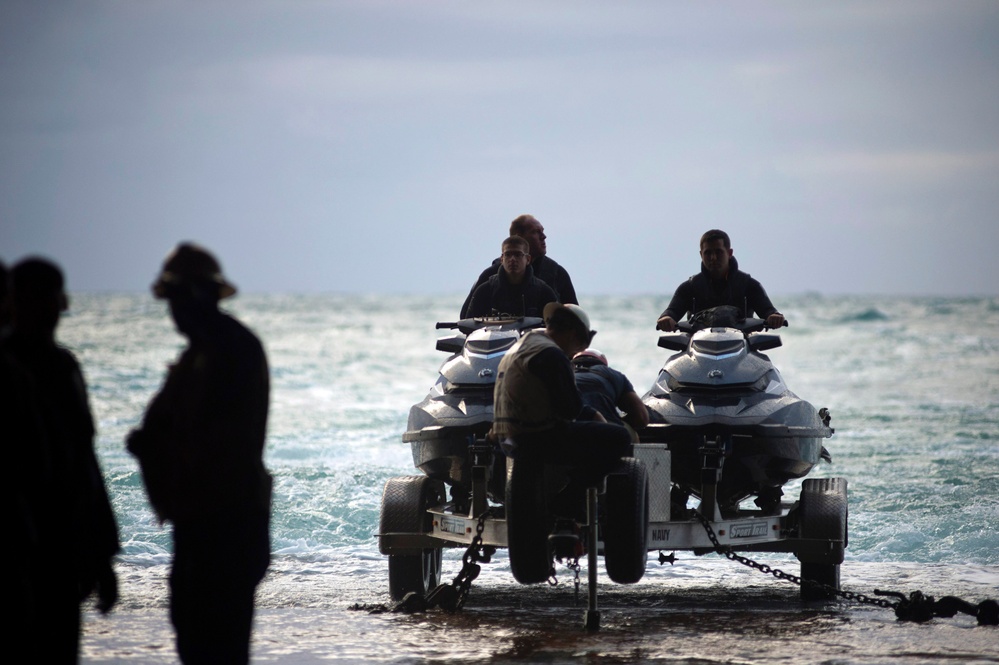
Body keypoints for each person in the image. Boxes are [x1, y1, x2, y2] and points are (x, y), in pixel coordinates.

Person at [126, 243, 272, 665]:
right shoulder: (208, 352)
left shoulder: (227, 352)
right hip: (208, 525)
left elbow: (216, 442)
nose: (173, 312)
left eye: (175, 300)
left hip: (222, 527)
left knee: (213, 645)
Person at [2, 257, 120, 663]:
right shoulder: (13, 369)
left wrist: (103, 554)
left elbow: (83, 459)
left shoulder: (63, 366)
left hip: (59, 546)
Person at [491, 302, 631, 483]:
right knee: (619, 437)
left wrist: (589, 412)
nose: (574, 355)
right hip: (533, 438)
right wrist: (594, 415)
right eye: (578, 348)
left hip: (506, 437)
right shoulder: (552, 354)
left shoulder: (524, 345)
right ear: (573, 335)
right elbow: (569, 409)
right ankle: (571, 496)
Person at [656, 229, 785, 332]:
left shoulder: (748, 284)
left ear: (729, 253)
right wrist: (666, 319)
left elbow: (768, 310)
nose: (713, 257)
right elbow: (672, 312)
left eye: (718, 252)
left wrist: (774, 317)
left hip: (741, 352)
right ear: (701, 255)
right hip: (698, 354)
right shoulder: (690, 287)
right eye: (708, 253)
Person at [459, 214, 577, 318]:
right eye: (536, 232)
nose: (543, 236)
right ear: (518, 237)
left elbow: (575, 319)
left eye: (542, 231)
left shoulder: (557, 273)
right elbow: (465, 319)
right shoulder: (489, 277)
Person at [465, 235, 558, 318]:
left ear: (528, 259)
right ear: (502, 259)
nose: (512, 259)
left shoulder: (544, 292)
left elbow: (556, 330)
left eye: (518, 255)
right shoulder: (485, 291)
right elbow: (469, 324)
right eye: (508, 255)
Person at [572, 348, 650, 439]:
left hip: (568, 428)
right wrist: (618, 419)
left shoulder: (563, 373)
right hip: (604, 430)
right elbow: (641, 418)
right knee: (631, 434)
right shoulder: (614, 375)